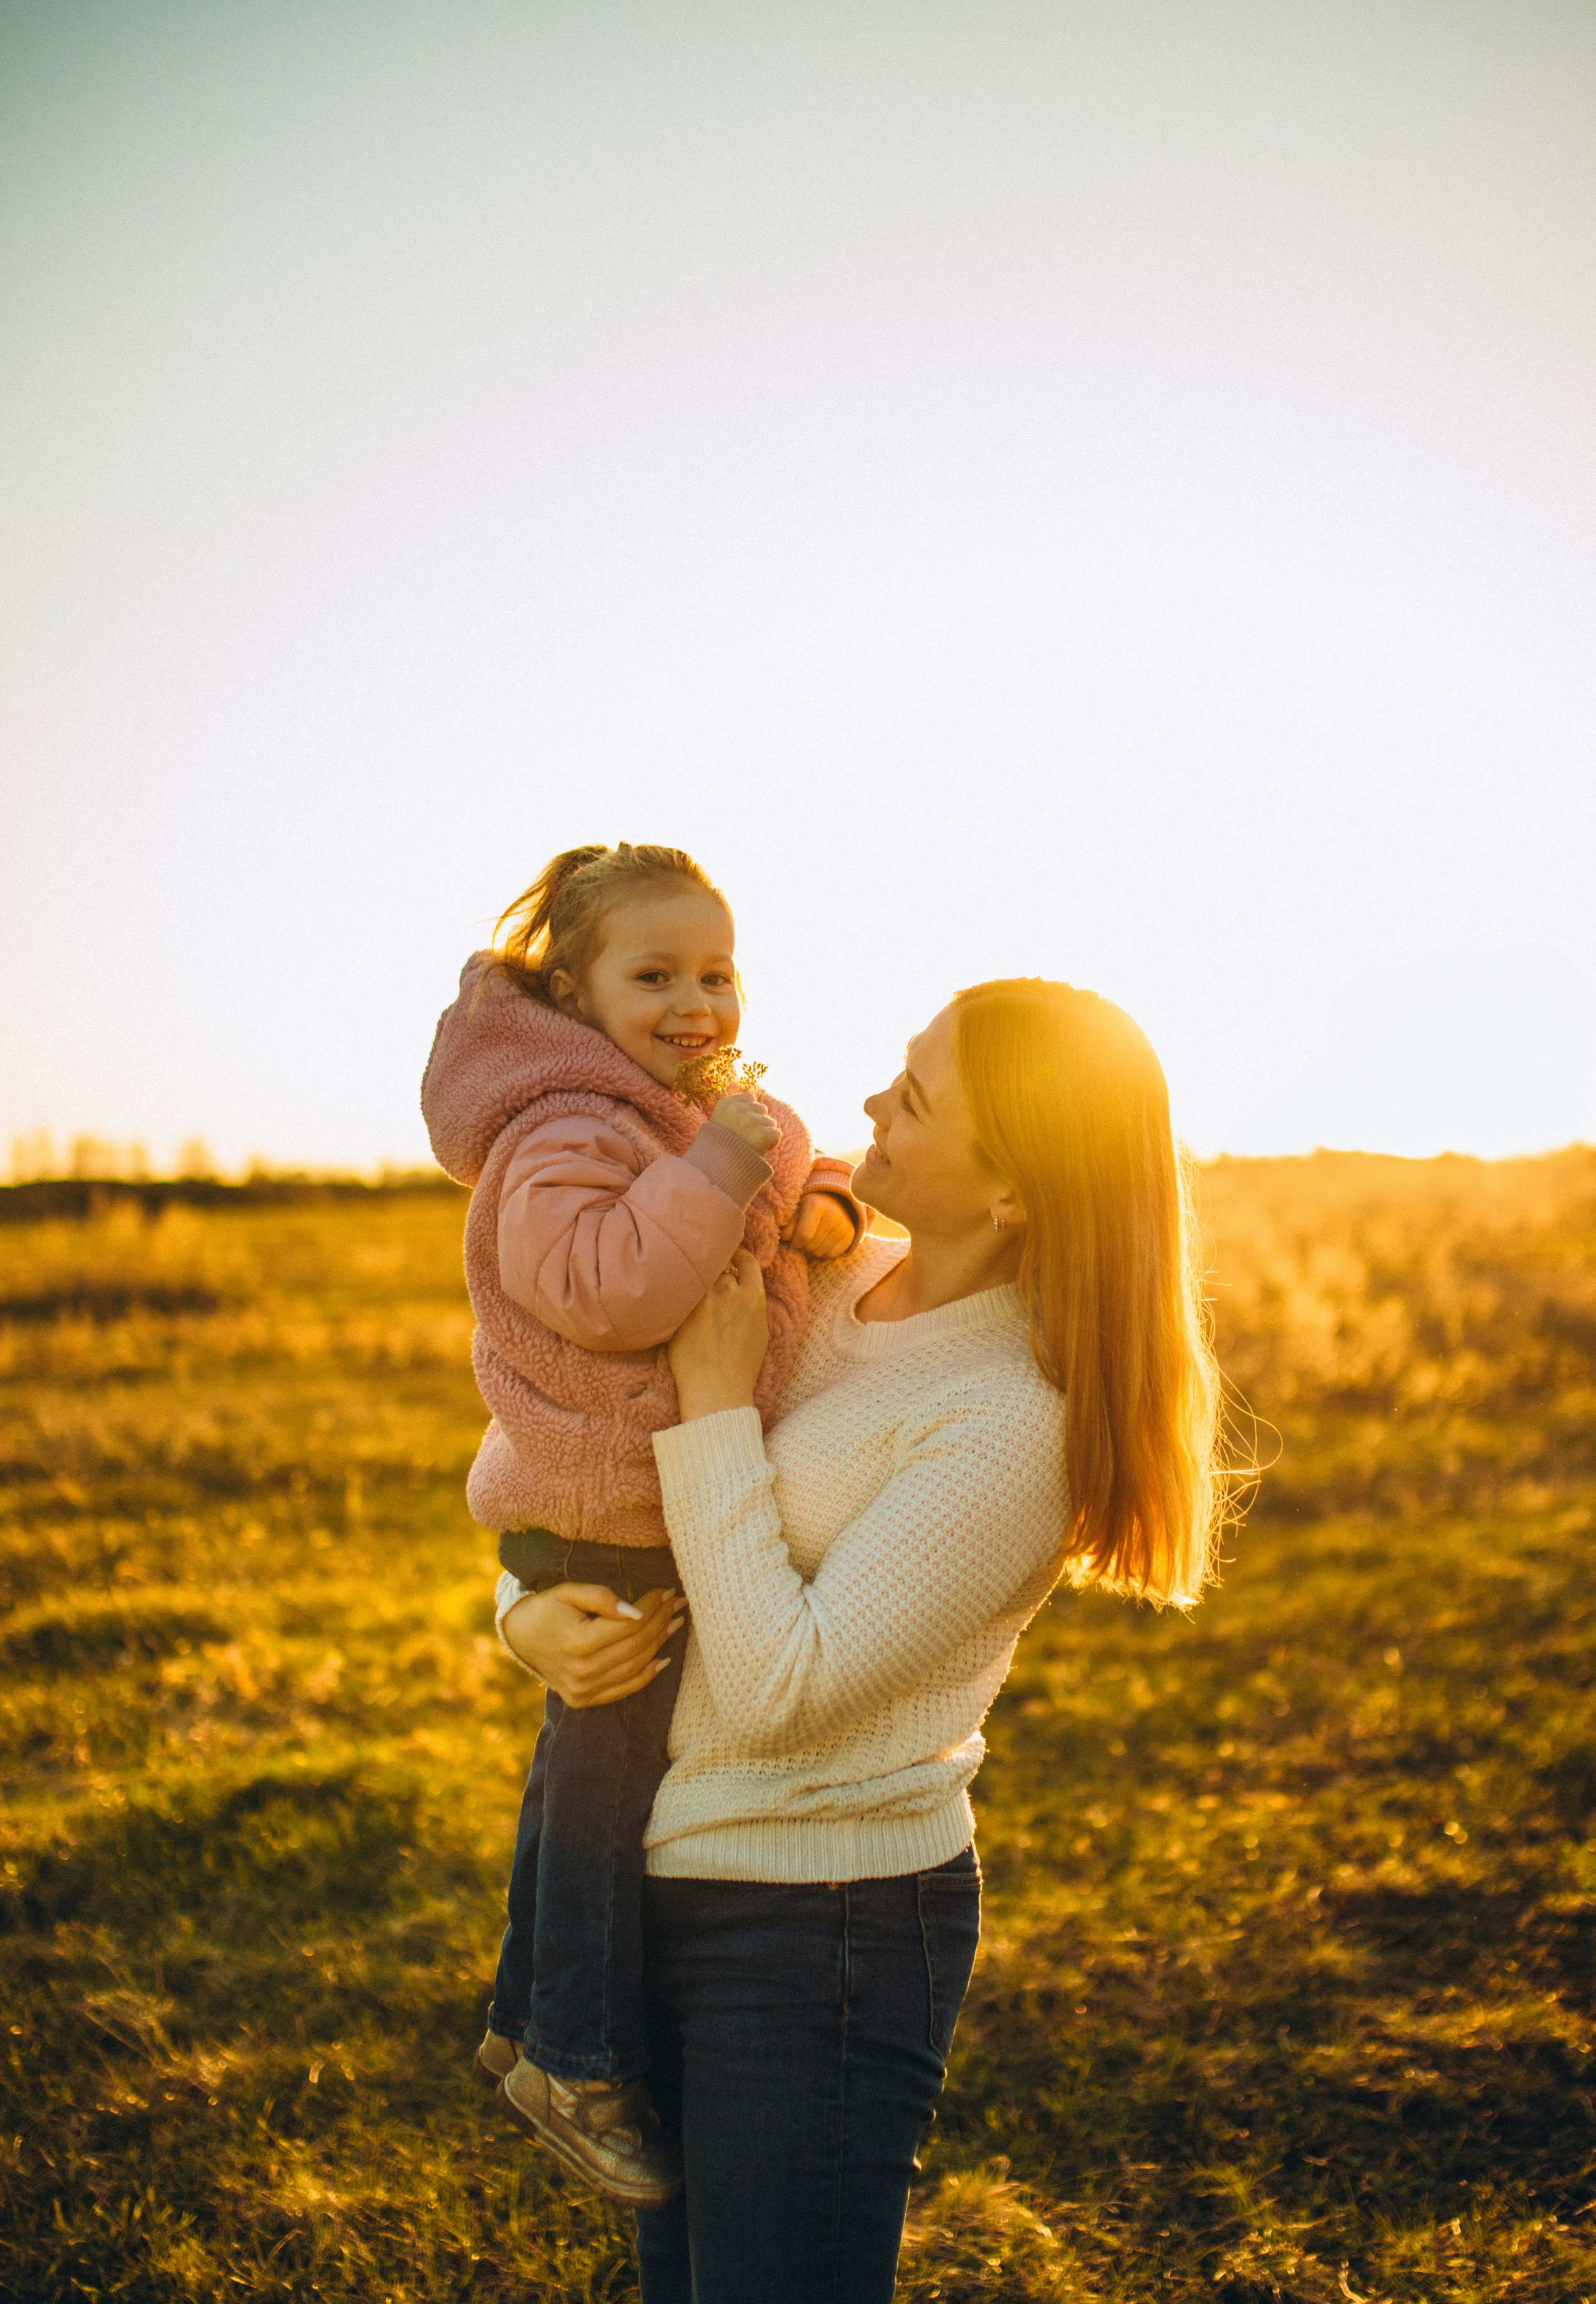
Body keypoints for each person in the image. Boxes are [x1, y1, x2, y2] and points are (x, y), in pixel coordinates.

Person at [499, 975, 1231, 2304]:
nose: (866, 1107)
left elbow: (785, 1689)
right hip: (652, 1886)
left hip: (818, 1931)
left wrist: (713, 1407)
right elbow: (592, 1462)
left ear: (1012, 1190)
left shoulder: (1011, 1416)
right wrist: (524, 1617)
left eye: (916, 1096)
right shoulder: (823, 1274)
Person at [421, 842, 863, 2208]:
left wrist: (827, 1202)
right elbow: (611, 1293)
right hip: (605, 1501)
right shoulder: (560, 1131)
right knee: (609, 1795)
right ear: (571, 988)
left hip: (642, 1491)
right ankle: (576, 2051)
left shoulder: (688, 1112)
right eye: (653, 974)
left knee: (585, 1776)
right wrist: (726, 1170)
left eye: (715, 972)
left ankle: (522, 2012)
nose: (695, 1002)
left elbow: (794, 1156)